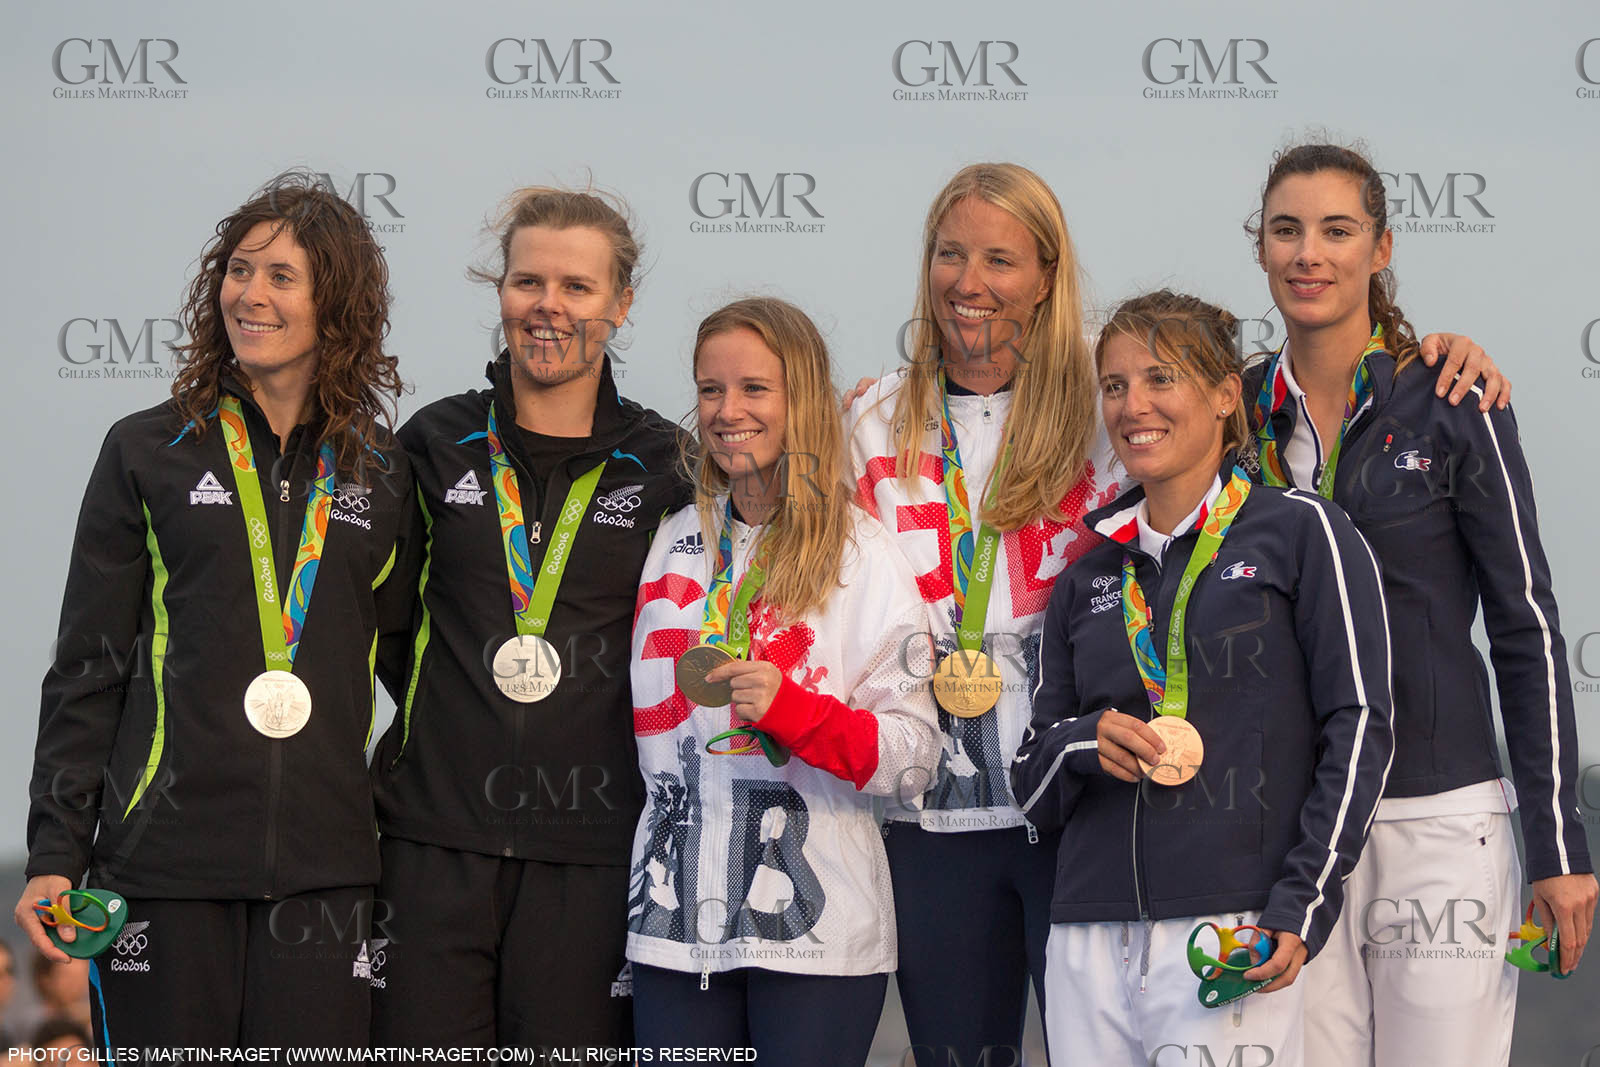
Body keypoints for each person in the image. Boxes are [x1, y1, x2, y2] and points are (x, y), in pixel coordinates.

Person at [842, 161, 1506, 1066]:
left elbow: (1252, 400)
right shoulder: (869, 422)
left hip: (1157, 851)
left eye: (1000, 257)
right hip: (952, 823)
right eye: (951, 253)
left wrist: (1423, 356)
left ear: (1047, 273)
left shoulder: (1116, 412)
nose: (971, 280)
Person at [14, 171, 416, 1049]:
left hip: (326, 879)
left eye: (282, 276)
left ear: (336, 304)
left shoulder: (383, 473)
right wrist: (53, 851)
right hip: (162, 868)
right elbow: (89, 665)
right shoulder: (145, 450)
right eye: (239, 270)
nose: (251, 293)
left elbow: (415, 669)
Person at [1238, 142, 1597, 1067]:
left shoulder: (1454, 399)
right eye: (1286, 230)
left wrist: (1558, 844)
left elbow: (1526, 628)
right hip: (1295, 840)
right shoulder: (1230, 415)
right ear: (1261, 248)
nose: (1308, 253)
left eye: (1336, 230)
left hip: (1439, 823)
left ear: (1382, 247)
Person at [1011, 290, 1393, 1066]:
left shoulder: (1300, 531)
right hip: (1086, 930)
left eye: (1160, 378)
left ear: (1225, 396)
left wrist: (1301, 903)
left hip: (1231, 921)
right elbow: (1032, 782)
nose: (1133, 405)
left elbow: (1359, 725)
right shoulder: (1086, 575)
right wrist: (1084, 742)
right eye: (1114, 386)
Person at [369, 186, 690, 1052]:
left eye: (577, 287)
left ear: (620, 304)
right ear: (501, 291)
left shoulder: (667, 467)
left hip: (591, 855)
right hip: (432, 845)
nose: (548, 306)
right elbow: (385, 628)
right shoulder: (433, 442)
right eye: (527, 282)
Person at [628, 297, 940, 1066]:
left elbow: (915, 758)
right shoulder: (676, 540)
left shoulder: (861, 552)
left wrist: (796, 712)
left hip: (814, 932)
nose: (728, 411)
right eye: (710, 389)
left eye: (754, 389)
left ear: (800, 398)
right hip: (674, 930)